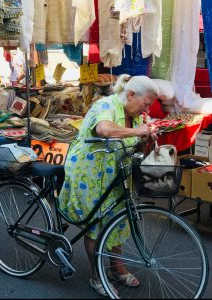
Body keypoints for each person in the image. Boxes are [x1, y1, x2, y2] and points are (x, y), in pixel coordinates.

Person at [58, 75, 159, 297]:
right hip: (90, 172)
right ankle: (96, 276)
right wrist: (137, 132)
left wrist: (147, 138)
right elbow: (104, 129)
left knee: (119, 221)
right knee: (96, 226)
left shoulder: (137, 116)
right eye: (146, 103)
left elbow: (139, 148)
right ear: (131, 95)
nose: (147, 108)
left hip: (117, 173)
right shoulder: (105, 105)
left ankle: (116, 268)